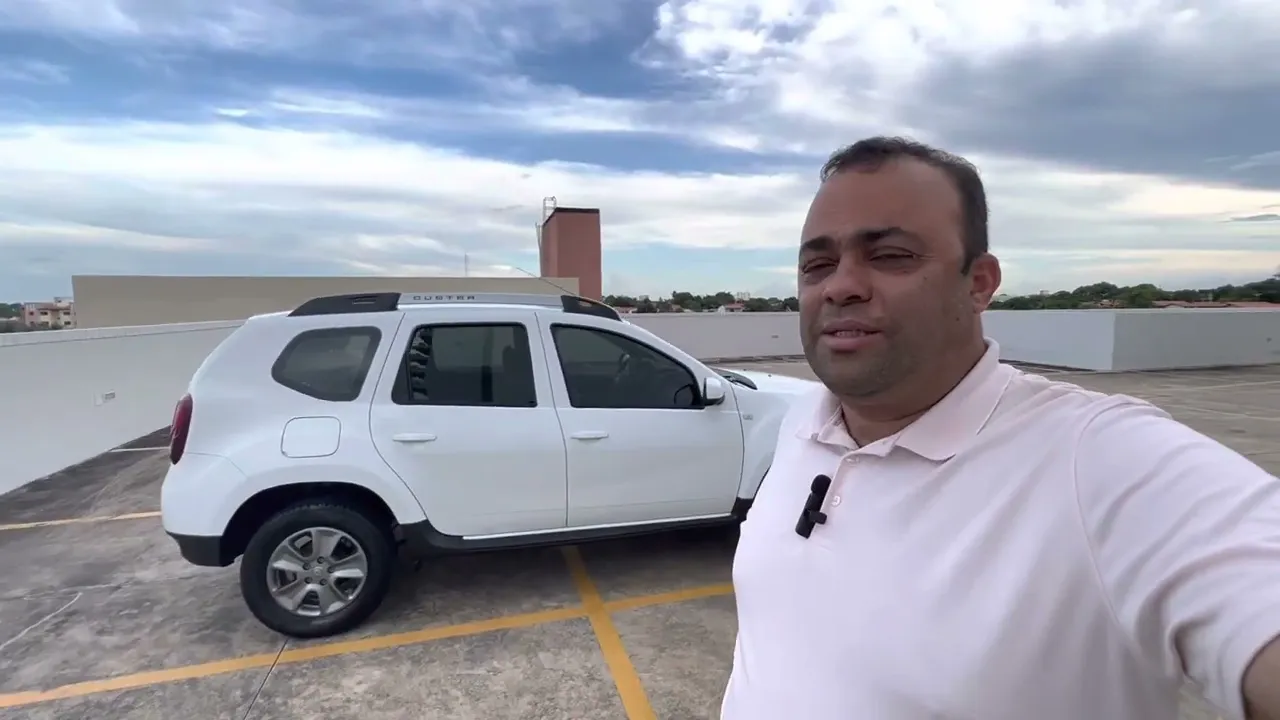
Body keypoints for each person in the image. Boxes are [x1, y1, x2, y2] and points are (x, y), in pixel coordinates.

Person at [719, 136, 1280, 720]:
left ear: (979, 283)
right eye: (818, 265)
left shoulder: (1101, 462)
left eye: (891, 255)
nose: (840, 285)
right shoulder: (802, 423)